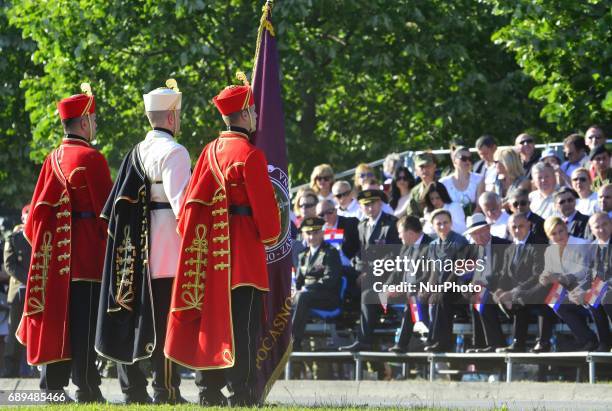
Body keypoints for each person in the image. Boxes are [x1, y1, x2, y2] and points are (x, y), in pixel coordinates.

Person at [164, 74, 281, 407]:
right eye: (253, 111)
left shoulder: (208, 152)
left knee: (210, 323)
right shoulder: (250, 155)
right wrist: (271, 236)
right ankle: (241, 393)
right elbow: (266, 214)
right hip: (242, 257)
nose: (257, 117)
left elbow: (188, 207)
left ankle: (208, 391)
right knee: (241, 329)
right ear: (243, 115)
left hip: (210, 256)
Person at [95, 80, 191, 404]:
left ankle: (132, 390)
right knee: (165, 323)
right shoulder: (175, 152)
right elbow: (183, 207)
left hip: (132, 252)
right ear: (173, 117)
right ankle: (167, 390)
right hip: (166, 253)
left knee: (131, 315)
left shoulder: (135, 151)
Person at [18, 84, 112, 402]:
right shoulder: (91, 158)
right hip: (86, 257)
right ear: (83, 123)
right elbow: (107, 214)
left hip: (54, 260)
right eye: (94, 120)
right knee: (84, 326)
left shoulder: (51, 159)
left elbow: (33, 222)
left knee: (56, 323)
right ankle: (87, 386)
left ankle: (53, 387)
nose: (96, 126)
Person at [338, 188, 400, 351]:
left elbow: (393, 256)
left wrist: (369, 273)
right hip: (366, 273)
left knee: (367, 293)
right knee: (341, 273)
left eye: (373, 204)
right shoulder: (362, 225)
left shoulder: (391, 224)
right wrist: (359, 269)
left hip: (387, 276)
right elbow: (360, 253)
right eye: (366, 205)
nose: (370, 208)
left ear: (380, 203)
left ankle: (364, 341)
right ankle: (342, 326)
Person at [538, 217, 598, 351]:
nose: (558, 236)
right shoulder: (550, 251)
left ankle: (588, 339)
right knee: (553, 302)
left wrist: (559, 278)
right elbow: (547, 272)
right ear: (549, 236)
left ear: (566, 229)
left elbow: (584, 272)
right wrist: (545, 278)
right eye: (554, 234)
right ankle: (586, 339)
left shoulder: (581, 244)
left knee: (559, 303)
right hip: (569, 293)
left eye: (561, 231)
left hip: (588, 290)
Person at [494, 213, 546, 353]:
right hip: (519, 292)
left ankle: (528, 343)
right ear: (509, 229)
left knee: (519, 298)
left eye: (521, 226)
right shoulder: (510, 248)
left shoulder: (538, 243)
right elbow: (505, 274)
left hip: (538, 288)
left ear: (529, 225)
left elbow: (537, 274)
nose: (517, 230)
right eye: (514, 227)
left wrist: (513, 292)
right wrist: (499, 290)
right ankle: (495, 344)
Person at [421, 209, 470, 352]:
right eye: (439, 224)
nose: (442, 226)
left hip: (459, 285)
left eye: (445, 223)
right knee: (422, 298)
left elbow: (458, 269)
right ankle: (432, 338)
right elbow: (434, 272)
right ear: (433, 226)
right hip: (442, 286)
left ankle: (442, 342)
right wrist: (429, 289)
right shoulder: (433, 245)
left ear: (451, 223)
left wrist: (442, 288)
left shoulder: (459, 241)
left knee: (441, 297)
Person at [291, 217, 342, 351]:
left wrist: (306, 289)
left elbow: (330, 279)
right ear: (303, 234)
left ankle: (294, 341)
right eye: (308, 233)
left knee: (302, 298)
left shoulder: (331, 252)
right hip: (306, 296)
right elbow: (299, 281)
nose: (312, 236)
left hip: (326, 297)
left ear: (322, 233)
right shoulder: (303, 255)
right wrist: (295, 291)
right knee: (285, 298)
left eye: (315, 232)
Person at [463, 213, 510, 353]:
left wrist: (485, 283)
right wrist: (468, 288)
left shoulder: (504, 245)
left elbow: (507, 273)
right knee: (475, 298)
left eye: (481, 231)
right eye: (474, 234)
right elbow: (462, 277)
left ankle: (495, 344)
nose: (479, 236)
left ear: (488, 229)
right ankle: (480, 344)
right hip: (478, 291)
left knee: (482, 298)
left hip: (500, 288)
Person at [388, 215, 433, 353]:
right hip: (407, 291)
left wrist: (405, 288)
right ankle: (365, 340)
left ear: (410, 233)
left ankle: (407, 342)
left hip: (424, 291)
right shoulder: (406, 248)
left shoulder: (430, 246)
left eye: (401, 234)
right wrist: (388, 286)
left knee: (412, 299)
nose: (399, 237)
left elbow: (428, 276)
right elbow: (397, 271)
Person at [568, 212, 612, 352]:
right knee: (592, 298)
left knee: (603, 297)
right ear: (591, 230)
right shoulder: (590, 248)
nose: (601, 229)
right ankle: (604, 343)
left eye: (604, 224)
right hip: (603, 289)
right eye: (597, 226)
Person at [2, 204, 31, 377]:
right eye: (27, 217)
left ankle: (35, 369)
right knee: (14, 332)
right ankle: (10, 370)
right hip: (19, 291)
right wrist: (29, 278)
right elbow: (9, 265)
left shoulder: (40, 236)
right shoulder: (13, 238)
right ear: (22, 219)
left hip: (37, 291)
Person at [440, 146, 483, 214]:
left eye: (470, 159)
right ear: (454, 161)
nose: (467, 161)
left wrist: (470, 220)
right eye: (463, 158)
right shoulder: (443, 182)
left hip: (474, 219)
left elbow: (479, 205)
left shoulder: (479, 179)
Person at [407, 152, 437, 218]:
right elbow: (412, 216)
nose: (425, 170)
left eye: (428, 166)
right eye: (421, 167)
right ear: (416, 171)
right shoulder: (415, 192)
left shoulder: (444, 184)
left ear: (434, 167)